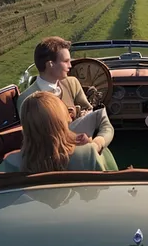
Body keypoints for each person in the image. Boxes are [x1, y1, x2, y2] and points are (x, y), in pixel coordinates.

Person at [17, 36, 118, 171]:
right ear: (50, 64)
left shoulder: (72, 83)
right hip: (48, 164)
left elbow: (91, 115)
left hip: (84, 151)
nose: (71, 65)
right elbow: (34, 139)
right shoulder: (26, 100)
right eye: (66, 61)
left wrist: (94, 142)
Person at [0, 91, 106, 173]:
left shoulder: (8, 164)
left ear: (26, 127)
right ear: (61, 122)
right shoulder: (88, 155)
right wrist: (97, 142)